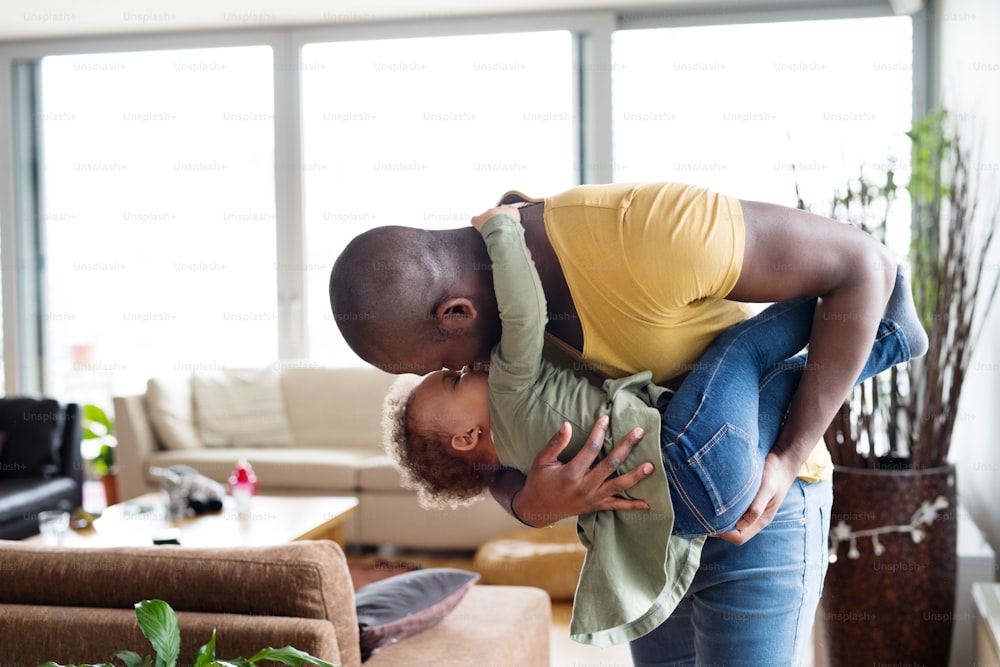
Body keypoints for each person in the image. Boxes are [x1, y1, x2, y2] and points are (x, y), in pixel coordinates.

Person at [329, 181, 928, 665]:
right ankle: (891, 342)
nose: (461, 369)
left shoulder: (653, 232)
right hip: (642, 540)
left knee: (752, 361)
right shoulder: (494, 323)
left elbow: (863, 264)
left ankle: (890, 339)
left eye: (443, 365)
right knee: (751, 359)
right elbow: (482, 461)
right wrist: (536, 505)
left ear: (456, 313)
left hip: (758, 505)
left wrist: (789, 457)